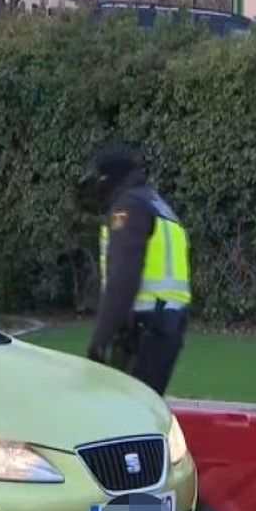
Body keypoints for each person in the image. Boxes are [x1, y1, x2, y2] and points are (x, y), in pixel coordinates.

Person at [84, 143, 191, 395]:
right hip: (168, 324)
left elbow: (124, 277)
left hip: (142, 329)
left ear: (107, 178)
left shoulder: (128, 207)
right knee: (147, 409)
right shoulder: (158, 205)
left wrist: (100, 339)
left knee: (125, 415)